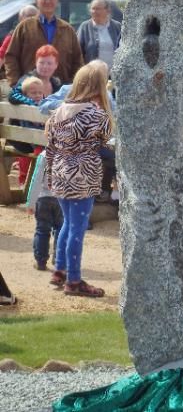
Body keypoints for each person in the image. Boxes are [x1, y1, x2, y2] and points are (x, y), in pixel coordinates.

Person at [46, 62, 112, 297]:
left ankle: (59, 269)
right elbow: (106, 139)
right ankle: (74, 280)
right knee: (78, 228)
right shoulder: (96, 114)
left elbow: (51, 145)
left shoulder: (60, 110)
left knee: (67, 223)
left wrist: (50, 176)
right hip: (83, 174)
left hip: (61, 171)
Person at [5, 0, 83, 85]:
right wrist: (15, 83)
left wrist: (73, 85)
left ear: (56, 1)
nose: (48, 1)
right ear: (37, 2)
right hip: (30, 89)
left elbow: (77, 60)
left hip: (60, 90)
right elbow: (11, 56)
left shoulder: (67, 29)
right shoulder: (25, 27)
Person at [26, 150, 63, 271]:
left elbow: (36, 180)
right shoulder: (70, 153)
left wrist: (31, 203)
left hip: (44, 197)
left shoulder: (44, 155)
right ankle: (59, 261)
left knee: (42, 230)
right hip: (62, 199)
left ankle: (40, 261)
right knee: (60, 230)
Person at [77, 0, 121, 72]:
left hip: (114, 74)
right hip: (92, 74)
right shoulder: (85, 27)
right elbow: (78, 52)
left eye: (98, 9)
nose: (94, 11)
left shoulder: (117, 26)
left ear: (107, 10)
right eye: (93, 9)